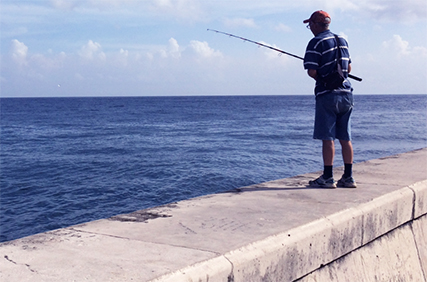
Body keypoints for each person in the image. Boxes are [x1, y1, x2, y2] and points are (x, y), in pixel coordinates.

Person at [303, 10, 357, 188]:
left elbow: (312, 72)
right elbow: (348, 68)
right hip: (346, 94)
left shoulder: (315, 42)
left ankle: (327, 177)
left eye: (310, 24)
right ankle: (348, 177)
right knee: (345, 138)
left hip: (327, 95)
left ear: (316, 25)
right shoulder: (342, 40)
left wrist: (325, 78)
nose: (309, 28)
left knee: (328, 138)